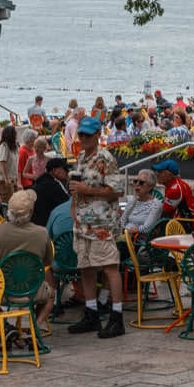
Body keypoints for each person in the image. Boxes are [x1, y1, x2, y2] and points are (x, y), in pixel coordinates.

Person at [65, 114, 125, 338]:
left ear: (98, 135)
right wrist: (74, 204)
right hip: (83, 223)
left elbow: (117, 191)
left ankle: (116, 316)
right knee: (86, 266)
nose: (83, 138)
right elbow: (77, 185)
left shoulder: (105, 158)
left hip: (101, 223)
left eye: (87, 134)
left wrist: (86, 191)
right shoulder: (80, 156)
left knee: (110, 266)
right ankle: (91, 312)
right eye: (81, 134)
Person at [0, 188, 56, 334]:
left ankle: (4, 326)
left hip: (1, 291)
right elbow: (48, 263)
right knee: (51, 294)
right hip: (32, 290)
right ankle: (36, 326)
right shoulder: (41, 233)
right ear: (31, 212)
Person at [30, 157, 71, 231]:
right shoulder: (52, 185)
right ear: (54, 170)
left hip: (35, 222)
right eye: (64, 169)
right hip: (44, 226)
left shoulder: (42, 180)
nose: (67, 171)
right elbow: (68, 204)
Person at [121, 170, 165, 238]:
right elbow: (123, 220)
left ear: (150, 186)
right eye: (135, 181)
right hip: (126, 236)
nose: (137, 184)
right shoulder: (132, 201)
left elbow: (147, 228)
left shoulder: (156, 205)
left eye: (141, 182)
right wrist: (125, 230)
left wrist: (130, 231)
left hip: (140, 241)